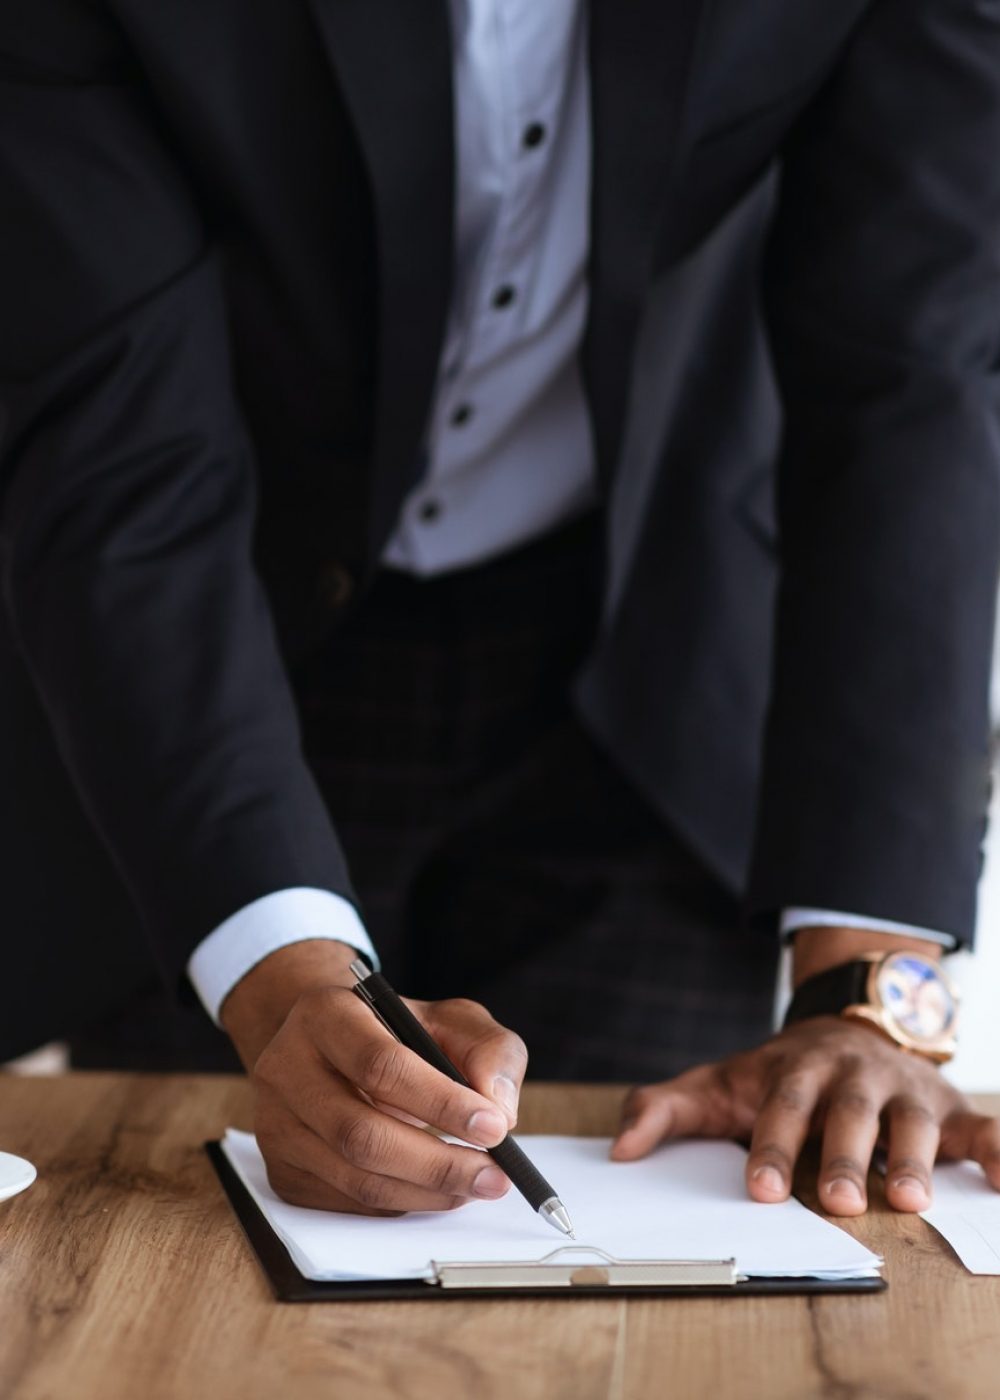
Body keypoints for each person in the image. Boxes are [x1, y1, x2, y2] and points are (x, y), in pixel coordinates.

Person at [2, 0, 999, 1220]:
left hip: (648, 658)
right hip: (211, 665)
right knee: (216, 1253)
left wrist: (863, 988)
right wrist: (276, 964)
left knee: (644, 1259)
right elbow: (116, 449)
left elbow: (920, 361)